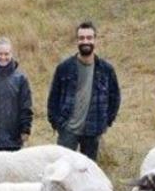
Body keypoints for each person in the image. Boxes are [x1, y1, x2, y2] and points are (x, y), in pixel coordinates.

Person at [47, 21, 120, 161]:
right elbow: (53, 97)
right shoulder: (64, 68)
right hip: (67, 129)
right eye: (82, 38)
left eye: (89, 38)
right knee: (63, 168)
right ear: (77, 41)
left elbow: (115, 98)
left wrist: (106, 122)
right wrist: (56, 122)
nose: (85, 41)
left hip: (93, 130)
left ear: (95, 40)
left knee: (88, 171)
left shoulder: (106, 70)